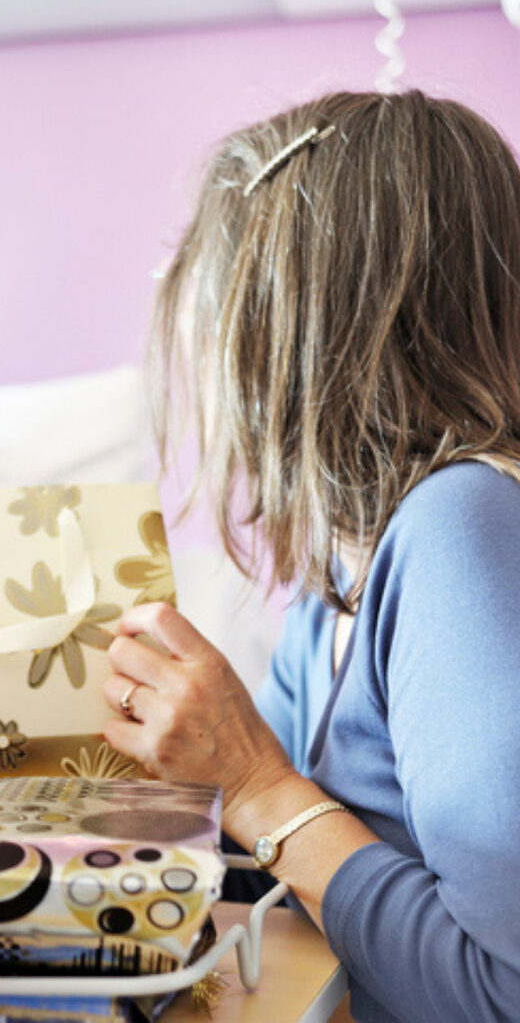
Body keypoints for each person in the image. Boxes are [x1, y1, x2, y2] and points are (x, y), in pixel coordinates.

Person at [102, 90, 520, 1022]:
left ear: (291, 333)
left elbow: (507, 994)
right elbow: (280, 882)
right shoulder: (333, 586)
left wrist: (253, 781)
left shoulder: (462, 528)